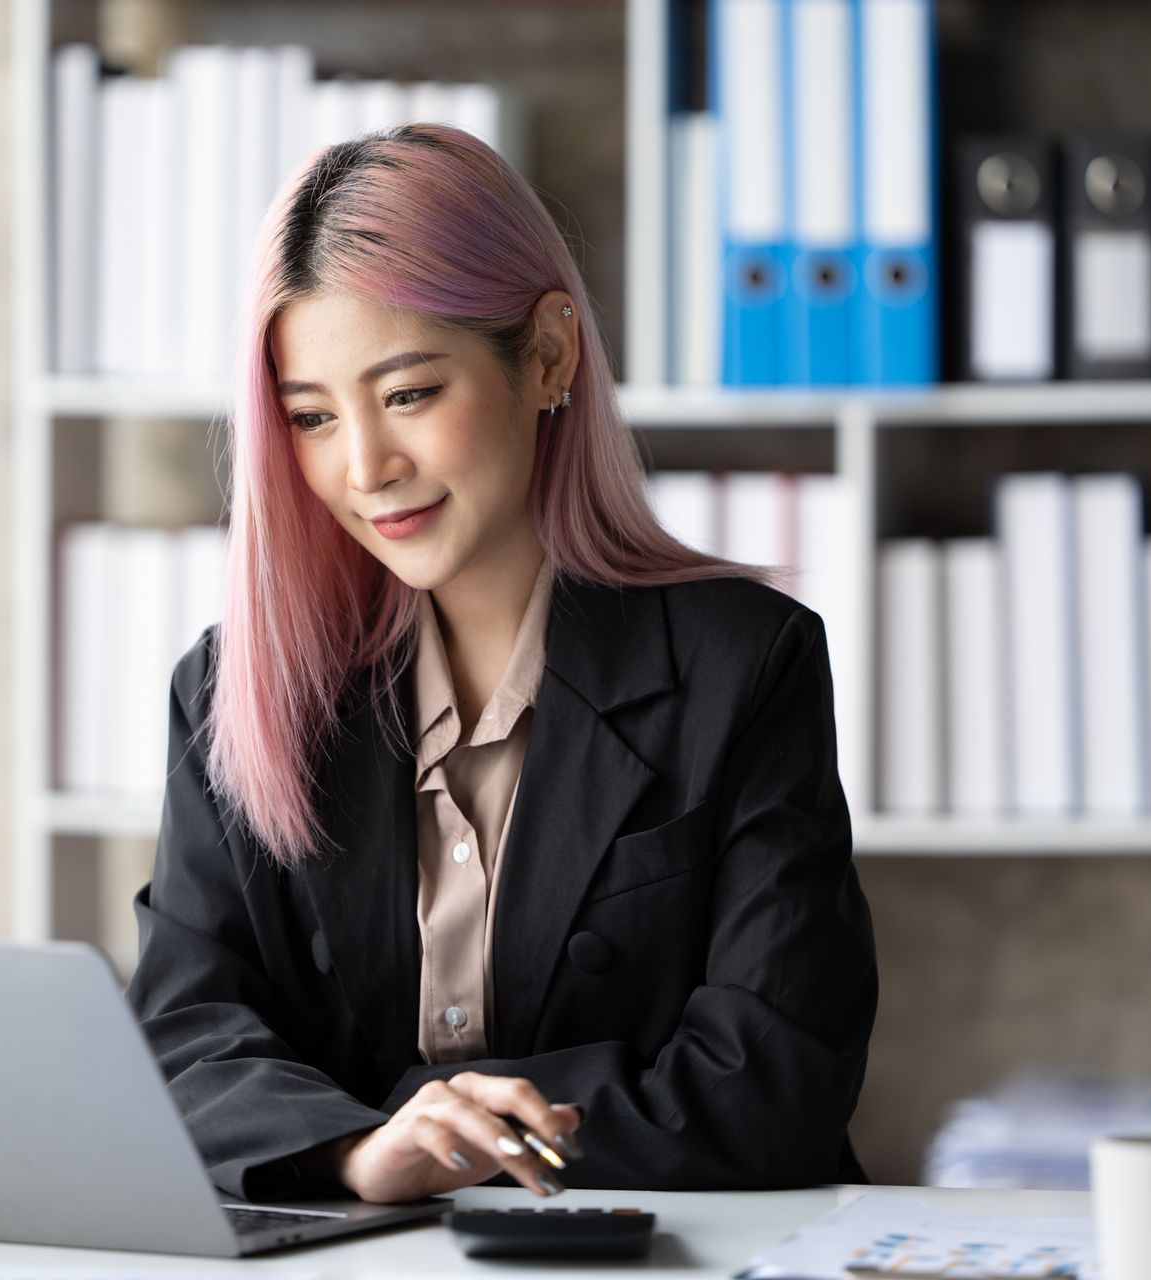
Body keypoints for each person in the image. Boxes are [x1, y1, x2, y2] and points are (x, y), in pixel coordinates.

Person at [126, 123, 876, 1206]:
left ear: (550, 354)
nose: (365, 466)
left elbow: (775, 1078)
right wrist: (359, 1152)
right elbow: (182, 1039)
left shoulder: (742, 665)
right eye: (311, 417)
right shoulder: (232, 691)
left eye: (410, 393)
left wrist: (449, 1133)